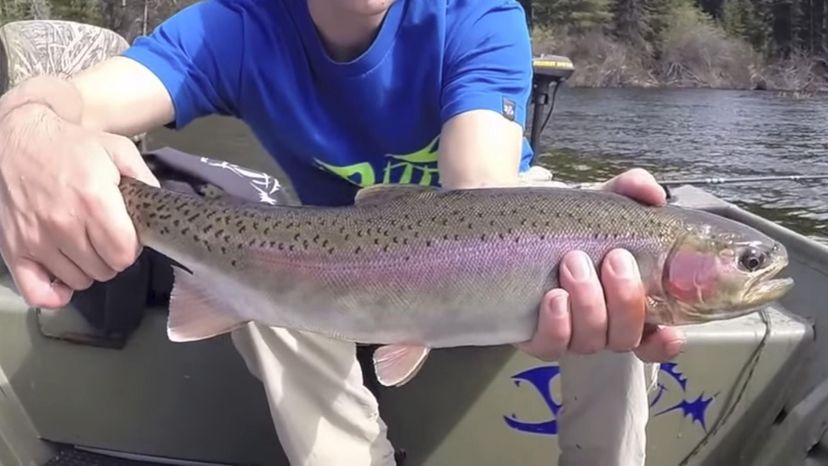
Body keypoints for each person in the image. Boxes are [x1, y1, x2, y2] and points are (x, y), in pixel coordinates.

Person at [0, 0, 685, 464]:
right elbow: (69, 101)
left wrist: (533, 269)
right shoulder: (234, 25)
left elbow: (478, 187)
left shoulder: (477, 11)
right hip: (336, 235)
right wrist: (25, 130)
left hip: (490, 220)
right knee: (265, 284)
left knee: (609, 252)